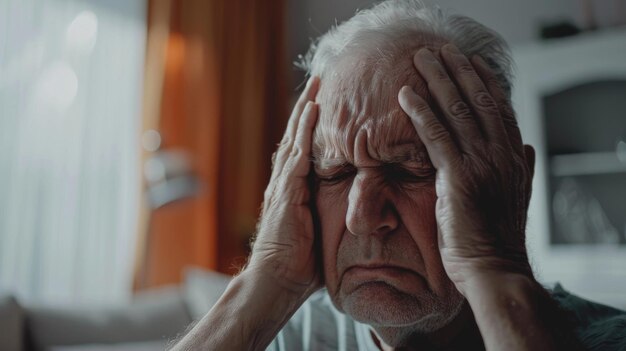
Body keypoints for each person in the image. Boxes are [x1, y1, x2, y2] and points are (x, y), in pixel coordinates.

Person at [170, 1, 626, 350]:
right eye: (335, 172)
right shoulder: (289, 335)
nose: (362, 217)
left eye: (411, 170)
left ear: (510, 184)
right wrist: (267, 279)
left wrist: (493, 266)